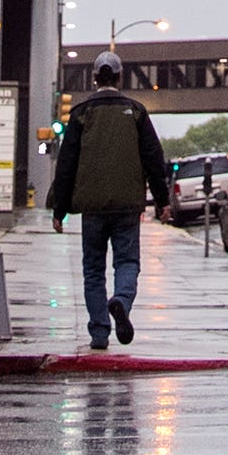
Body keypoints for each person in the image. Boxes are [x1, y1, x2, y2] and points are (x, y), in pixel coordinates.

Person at [47, 48, 173, 350]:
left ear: (94, 79)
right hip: (128, 204)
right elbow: (154, 159)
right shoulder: (137, 112)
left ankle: (100, 332)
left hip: (91, 207)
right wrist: (162, 200)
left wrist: (60, 209)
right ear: (120, 77)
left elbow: (67, 165)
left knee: (93, 269)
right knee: (127, 262)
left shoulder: (80, 114)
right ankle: (121, 301)